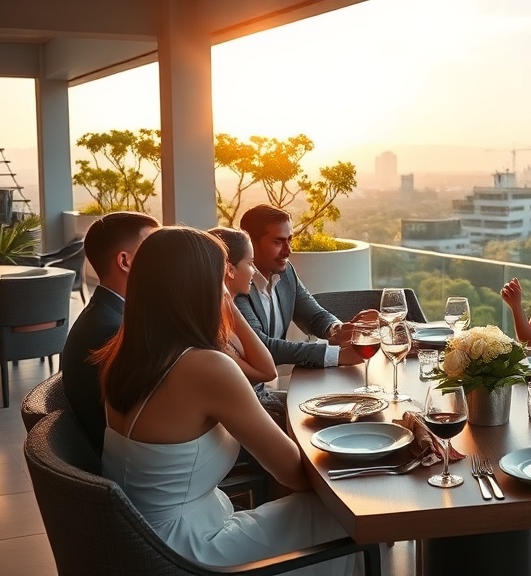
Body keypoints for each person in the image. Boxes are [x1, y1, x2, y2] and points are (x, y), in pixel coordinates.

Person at [98, 227, 361, 573]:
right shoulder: (206, 367)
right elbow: (293, 473)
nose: (227, 288)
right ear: (198, 287)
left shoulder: (122, 355)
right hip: (186, 554)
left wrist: (225, 309)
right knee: (341, 512)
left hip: (139, 541)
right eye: (220, 277)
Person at [61, 211, 159, 454]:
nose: (163, 259)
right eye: (153, 250)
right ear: (125, 261)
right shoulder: (109, 329)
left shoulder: (110, 313)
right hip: (120, 460)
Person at [235, 204, 370, 368]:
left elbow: (314, 316)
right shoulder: (237, 285)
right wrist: (336, 356)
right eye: (278, 242)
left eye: (289, 240)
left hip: (267, 387)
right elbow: (261, 345)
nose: (287, 251)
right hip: (245, 389)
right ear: (249, 242)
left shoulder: (286, 272)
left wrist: (336, 330)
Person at [208, 226, 284, 426]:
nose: (255, 270)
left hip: (262, 403)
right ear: (229, 270)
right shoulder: (211, 328)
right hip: (245, 421)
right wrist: (228, 303)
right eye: (250, 263)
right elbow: (268, 371)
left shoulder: (228, 313)